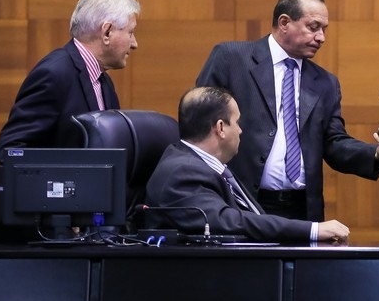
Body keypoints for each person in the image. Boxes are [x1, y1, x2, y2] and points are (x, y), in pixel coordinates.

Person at [195, 0, 379, 221]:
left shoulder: (326, 83)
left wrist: (376, 153)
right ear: (284, 22)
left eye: (324, 30)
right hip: (239, 203)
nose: (321, 37)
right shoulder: (231, 58)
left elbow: (334, 143)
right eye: (313, 27)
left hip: (302, 210)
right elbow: (200, 125)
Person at [145, 86, 350, 242]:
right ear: (220, 128)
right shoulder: (182, 172)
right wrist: (312, 230)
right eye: (237, 122)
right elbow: (228, 221)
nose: (241, 131)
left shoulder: (209, 167)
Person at [0, 0, 140, 163]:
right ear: (107, 32)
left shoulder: (105, 83)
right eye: (130, 33)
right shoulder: (53, 74)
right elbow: (11, 150)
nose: (134, 44)